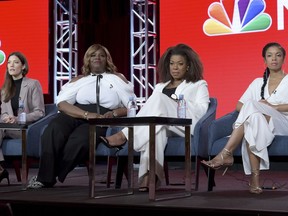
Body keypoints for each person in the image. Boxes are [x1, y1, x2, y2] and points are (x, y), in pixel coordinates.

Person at [101, 43, 210, 192]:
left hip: (184, 124)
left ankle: (124, 135)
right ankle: (149, 178)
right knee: (156, 132)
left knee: (158, 101)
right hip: (164, 124)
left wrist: (177, 101)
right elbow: (151, 110)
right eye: (172, 64)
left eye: (180, 64)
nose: (175, 68)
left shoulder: (198, 84)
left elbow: (203, 110)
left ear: (188, 66)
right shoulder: (160, 86)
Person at [27, 43, 134, 189]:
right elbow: (62, 104)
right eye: (93, 55)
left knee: (80, 140)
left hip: (101, 117)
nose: (97, 58)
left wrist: (113, 113)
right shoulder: (79, 80)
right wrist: (85, 114)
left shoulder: (117, 79)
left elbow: (130, 106)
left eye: (101, 55)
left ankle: (46, 177)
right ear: (87, 60)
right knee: (53, 129)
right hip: (76, 113)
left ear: (107, 60)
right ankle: (45, 176)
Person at [201, 42, 288, 194]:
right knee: (253, 118)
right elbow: (239, 106)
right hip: (260, 123)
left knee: (253, 107)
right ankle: (255, 180)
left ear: (283, 59)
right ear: (264, 61)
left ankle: (226, 153)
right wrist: (257, 108)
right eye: (269, 55)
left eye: (278, 55)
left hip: (282, 122)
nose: (274, 58)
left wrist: (270, 107)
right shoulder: (257, 82)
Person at [0, 51, 45, 185]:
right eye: (9, 62)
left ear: (23, 66)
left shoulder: (33, 84)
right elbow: (2, 113)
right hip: (6, 128)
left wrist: (18, 118)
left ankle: (1, 170)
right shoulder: (4, 89)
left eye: (16, 62)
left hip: (24, 128)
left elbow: (40, 112)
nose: (11, 65)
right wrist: (6, 118)